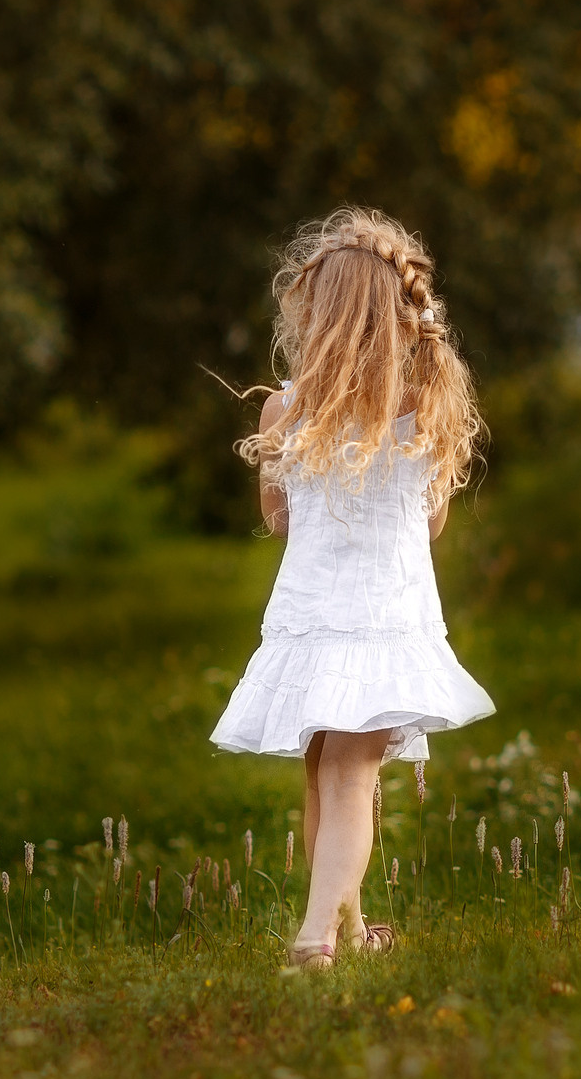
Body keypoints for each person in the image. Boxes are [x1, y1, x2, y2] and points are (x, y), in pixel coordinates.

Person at [211, 208, 495, 970]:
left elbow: (278, 518)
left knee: (327, 774)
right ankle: (317, 935)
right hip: (383, 618)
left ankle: (350, 924)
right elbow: (431, 523)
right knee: (350, 776)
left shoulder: (285, 407)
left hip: (310, 620)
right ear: (401, 313)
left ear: (316, 313)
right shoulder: (424, 406)